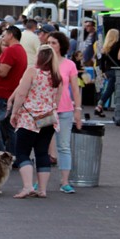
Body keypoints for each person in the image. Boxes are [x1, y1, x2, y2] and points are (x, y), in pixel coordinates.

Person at [9, 44, 63, 198]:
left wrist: (14, 113)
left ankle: (27, 187)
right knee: (42, 151)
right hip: (48, 116)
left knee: (22, 151)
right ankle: (42, 189)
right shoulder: (57, 76)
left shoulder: (32, 72)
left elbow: (21, 94)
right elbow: (57, 101)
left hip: (29, 116)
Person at [47, 31, 83, 193]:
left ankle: (65, 181)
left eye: (54, 42)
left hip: (65, 110)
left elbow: (75, 89)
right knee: (41, 146)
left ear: (61, 45)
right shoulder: (43, 63)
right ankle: (38, 181)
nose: (51, 45)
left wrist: (78, 110)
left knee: (64, 146)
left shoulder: (69, 65)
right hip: (46, 110)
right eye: (48, 42)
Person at [0, 26, 28, 154]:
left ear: (11, 35)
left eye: (4, 35)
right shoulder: (21, 51)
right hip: (11, 93)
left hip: (2, 93)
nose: (2, 38)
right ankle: (13, 155)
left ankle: (0, 154)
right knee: (9, 126)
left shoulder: (11, 51)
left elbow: (3, 72)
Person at [95, 29, 120, 117]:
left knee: (110, 89)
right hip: (117, 70)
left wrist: (103, 72)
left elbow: (101, 61)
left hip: (108, 71)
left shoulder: (105, 48)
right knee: (113, 90)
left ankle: (99, 106)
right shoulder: (118, 46)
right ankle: (100, 106)